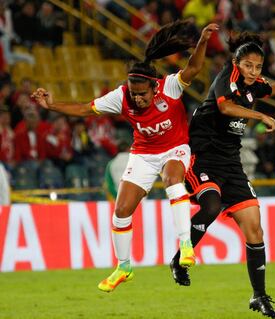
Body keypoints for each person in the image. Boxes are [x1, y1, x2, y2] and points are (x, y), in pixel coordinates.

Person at [32, 20, 219, 292]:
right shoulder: (121, 96)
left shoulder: (170, 87)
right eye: (134, 94)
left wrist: (202, 41)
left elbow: (194, 68)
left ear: (154, 88)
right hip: (143, 153)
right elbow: (86, 109)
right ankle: (124, 267)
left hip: (174, 147)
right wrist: (51, 105)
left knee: (173, 180)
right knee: (121, 212)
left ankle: (186, 245)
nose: (137, 99)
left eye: (142, 95)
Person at [169, 31, 275, 318]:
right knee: (210, 205)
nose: (253, 72)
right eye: (248, 65)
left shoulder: (255, 84)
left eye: (258, 67)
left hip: (231, 163)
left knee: (254, 228)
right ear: (238, 62)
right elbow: (224, 106)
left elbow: (272, 89)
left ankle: (259, 295)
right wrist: (260, 116)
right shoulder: (228, 75)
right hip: (204, 155)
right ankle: (179, 259)